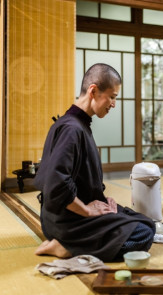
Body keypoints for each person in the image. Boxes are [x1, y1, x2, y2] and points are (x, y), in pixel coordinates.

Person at [34, 63, 155, 261]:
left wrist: (100, 200)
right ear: (93, 90)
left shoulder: (75, 123)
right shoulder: (72, 129)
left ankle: (70, 242)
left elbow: (79, 178)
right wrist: (88, 210)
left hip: (58, 218)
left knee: (143, 221)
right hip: (66, 222)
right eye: (112, 96)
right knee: (142, 235)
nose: (114, 104)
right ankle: (67, 247)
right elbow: (56, 184)